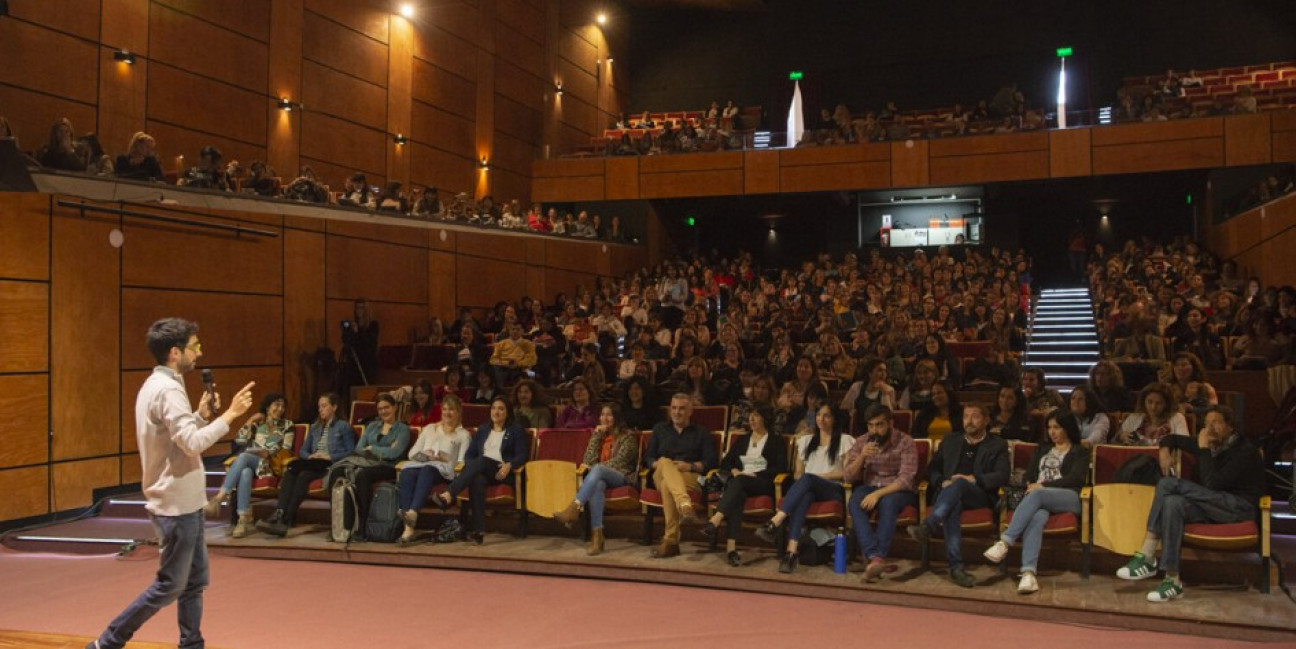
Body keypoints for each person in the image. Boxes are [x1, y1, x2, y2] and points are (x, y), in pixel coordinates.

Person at [87, 318, 256, 649]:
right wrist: (229, 416)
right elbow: (192, 444)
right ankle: (107, 642)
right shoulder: (167, 389)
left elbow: (177, 439)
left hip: (185, 500)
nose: (200, 352)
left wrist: (201, 416)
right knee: (169, 586)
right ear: (176, 352)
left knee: (193, 583)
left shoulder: (159, 385)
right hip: (175, 504)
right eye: (196, 346)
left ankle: (191, 644)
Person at [1117, 406, 1263, 601]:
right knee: (1172, 503)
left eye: (1216, 422)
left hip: (1238, 508)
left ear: (1231, 427)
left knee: (1167, 484)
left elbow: (1213, 484)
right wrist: (1164, 451)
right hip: (1210, 506)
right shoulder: (1209, 442)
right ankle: (1172, 580)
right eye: (1206, 423)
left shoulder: (1245, 451)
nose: (1210, 428)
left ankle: (1148, 552)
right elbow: (1171, 438)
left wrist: (1202, 449)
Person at [982, 410, 1091, 593]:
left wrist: (1043, 486)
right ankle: (1028, 574)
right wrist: (1032, 484)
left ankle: (1005, 542)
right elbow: (1029, 477)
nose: (1052, 432)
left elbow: (1076, 479)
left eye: (1057, 427)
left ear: (1068, 428)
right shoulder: (1042, 450)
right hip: (1039, 499)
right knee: (1037, 517)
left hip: (1069, 497)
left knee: (1038, 495)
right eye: (1049, 428)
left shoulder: (1079, 451)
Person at [908, 403, 1009, 588]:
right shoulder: (950, 440)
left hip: (978, 496)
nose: (969, 421)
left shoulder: (997, 444)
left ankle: (929, 524)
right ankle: (956, 568)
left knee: (960, 483)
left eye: (975, 416)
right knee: (953, 506)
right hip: (950, 495)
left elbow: (1002, 475)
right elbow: (932, 470)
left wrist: (973, 479)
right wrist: (941, 482)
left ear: (986, 420)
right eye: (965, 416)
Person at [755, 404, 855, 573]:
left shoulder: (845, 440)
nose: (821, 419)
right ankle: (791, 552)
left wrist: (818, 477)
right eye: (818, 415)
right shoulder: (806, 441)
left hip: (833, 489)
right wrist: (810, 479)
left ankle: (776, 520)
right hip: (810, 488)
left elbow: (846, 474)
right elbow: (797, 474)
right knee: (805, 495)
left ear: (834, 419)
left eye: (826, 416)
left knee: (808, 478)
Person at [433, 396, 530, 543]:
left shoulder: (515, 430)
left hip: (503, 471)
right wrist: (474, 466)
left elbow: (522, 455)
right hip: (483, 470)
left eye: (501, 408)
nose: (496, 412)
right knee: (477, 479)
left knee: (482, 461)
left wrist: (510, 464)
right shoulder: (483, 429)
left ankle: (449, 494)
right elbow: (469, 455)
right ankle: (479, 531)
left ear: (508, 412)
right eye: (493, 408)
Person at [257, 393, 356, 535]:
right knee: (291, 471)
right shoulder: (315, 427)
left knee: (302, 473)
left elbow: (351, 452)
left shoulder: (343, 426)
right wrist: (310, 455)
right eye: (319, 407)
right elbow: (303, 450)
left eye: (324, 406)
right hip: (313, 462)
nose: (320, 410)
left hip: (330, 464)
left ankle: (286, 518)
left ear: (334, 407)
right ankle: (280, 514)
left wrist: (329, 456)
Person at [702, 406, 786, 566]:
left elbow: (781, 468)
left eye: (756, 415)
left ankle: (715, 519)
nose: (751, 419)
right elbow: (726, 462)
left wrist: (757, 474)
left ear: (765, 418)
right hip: (740, 482)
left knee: (738, 483)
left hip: (762, 482)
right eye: (750, 415)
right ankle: (731, 550)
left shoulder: (775, 440)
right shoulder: (742, 439)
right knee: (737, 494)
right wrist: (734, 470)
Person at [844, 404, 918, 582]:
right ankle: (875, 557)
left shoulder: (905, 441)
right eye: (871, 425)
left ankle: (875, 557)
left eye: (879, 425)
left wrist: (878, 494)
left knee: (888, 502)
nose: (874, 430)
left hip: (898, 490)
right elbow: (848, 476)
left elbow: (906, 479)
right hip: (870, 486)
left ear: (890, 423)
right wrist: (862, 456)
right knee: (855, 501)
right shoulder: (862, 441)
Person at [554, 404, 640, 555]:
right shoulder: (600, 435)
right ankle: (597, 536)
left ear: (617, 418)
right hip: (600, 478)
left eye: (609, 415)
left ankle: (574, 507)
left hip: (623, 476)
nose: (604, 418)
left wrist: (596, 468)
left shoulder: (628, 436)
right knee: (597, 485)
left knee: (597, 471)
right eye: (602, 415)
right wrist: (595, 437)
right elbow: (587, 460)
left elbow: (621, 462)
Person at [206, 393, 293, 538]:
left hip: (271, 465)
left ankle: (219, 498)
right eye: (276, 405)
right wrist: (250, 420)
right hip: (254, 464)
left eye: (283, 406)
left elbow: (287, 447)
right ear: (267, 407)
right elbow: (240, 441)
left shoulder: (287, 425)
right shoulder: (258, 425)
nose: (280, 409)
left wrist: (268, 452)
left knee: (244, 456)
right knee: (245, 472)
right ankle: (242, 519)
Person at [645, 393, 718, 558]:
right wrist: (664, 465)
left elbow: (711, 462)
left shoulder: (701, 432)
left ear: (690, 411)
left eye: (682, 409)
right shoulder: (659, 429)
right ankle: (684, 503)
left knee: (667, 485)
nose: (677, 412)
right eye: (674, 408)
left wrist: (690, 466)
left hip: (690, 476)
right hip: (661, 473)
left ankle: (671, 541)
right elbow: (648, 458)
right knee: (664, 461)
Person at [397, 394, 470, 543]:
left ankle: (413, 514)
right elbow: (412, 454)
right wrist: (425, 454)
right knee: (407, 472)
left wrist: (445, 458)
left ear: (458, 413)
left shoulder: (463, 435)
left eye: (451, 410)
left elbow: (462, 462)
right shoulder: (430, 428)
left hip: (445, 469)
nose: (447, 413)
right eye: (444, 409)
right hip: (422, 463)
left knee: (427, 470)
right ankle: (408, 527)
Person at [339, 394, 411, 539]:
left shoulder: (402, 429)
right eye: (380, 409)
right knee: (343, 472)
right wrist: (385, 449)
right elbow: (359, 448)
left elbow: (395, 453)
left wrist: (372, 448)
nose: (383, 411)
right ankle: (343, 526)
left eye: (387, 407)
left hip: (390, 467)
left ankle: (364, 523)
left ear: (395, 407)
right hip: (367, 464)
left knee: (363, 475)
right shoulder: (372, 426)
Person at [1117, 383, 1189, 446]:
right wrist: (1121, 437)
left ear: (1166, 405)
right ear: (1144, 401)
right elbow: (1114, 441)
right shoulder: (1134, 418)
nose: (1153, 407)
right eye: (1149, 402)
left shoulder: (1177, 418)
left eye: (1159, 403)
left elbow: (1183, 444)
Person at [489, 322, 537, 387]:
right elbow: (493, 360)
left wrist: (518, 364)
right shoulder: (501, 343)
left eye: (518, 329)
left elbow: (532, 359)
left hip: (520, 367)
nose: (515, 331)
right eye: (513, 329)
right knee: (495, 370)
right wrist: (506, 364)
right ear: (509, 330)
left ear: (522, 331)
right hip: (503, 367)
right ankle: (500, 392)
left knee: (530, 373)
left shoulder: (528, 344)